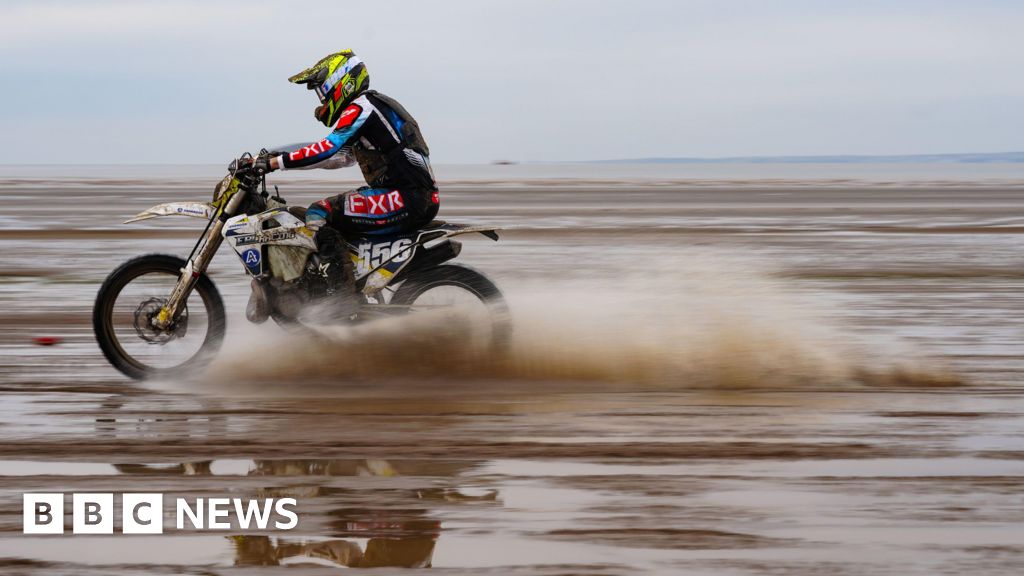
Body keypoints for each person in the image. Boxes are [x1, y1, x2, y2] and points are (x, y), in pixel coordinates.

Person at [248, 49, 439, 296]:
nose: (322, 101)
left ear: (342, 83)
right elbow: (338, 158)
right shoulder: (373, 108)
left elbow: (326, 149)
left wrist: (274, 163)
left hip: (407, 198)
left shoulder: (362, 107)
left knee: (319, 211)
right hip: (411, 197)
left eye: (322, 91)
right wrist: (275, 156)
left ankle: (341, 298)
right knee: (333, 219)